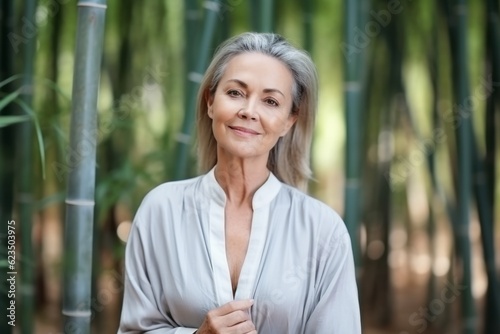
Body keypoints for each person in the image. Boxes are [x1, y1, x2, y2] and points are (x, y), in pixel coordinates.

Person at [118, 32, 361, 334]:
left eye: (271, 101)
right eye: (235, 93)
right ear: (210, 101)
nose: (249, 111)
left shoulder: (323, 231)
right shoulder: (161, 211)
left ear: (289, 120)